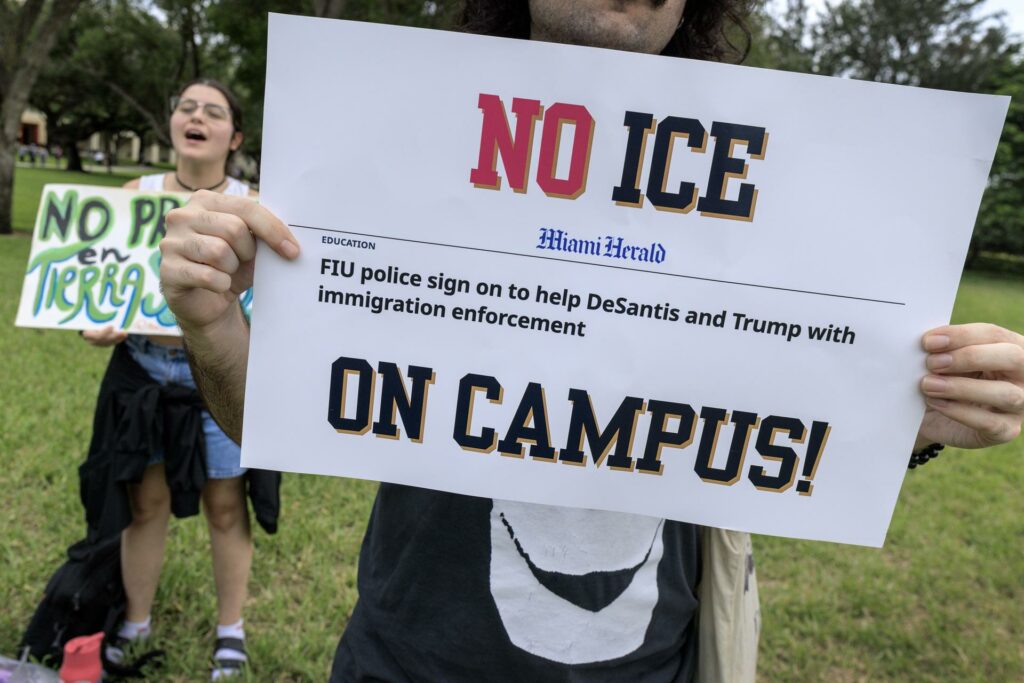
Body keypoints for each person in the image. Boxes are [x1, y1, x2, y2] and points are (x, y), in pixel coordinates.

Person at [158, 2, 1024, 681]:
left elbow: (792, 411)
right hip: (407, 659)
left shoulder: (776, 199)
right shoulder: (395, 149)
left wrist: (922, 410)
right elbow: (266, 414)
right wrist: (214, 328)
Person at [82, 77, 258, 681]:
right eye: (187, 106)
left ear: (232, 137)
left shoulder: (253, 203)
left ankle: (230, 629)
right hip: (144, 372)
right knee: (145, 500)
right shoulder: (135, 194)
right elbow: (102, 288)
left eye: (213, 111)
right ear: (174, 125)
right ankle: (135, 619)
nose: (197, 116)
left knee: (226, 504)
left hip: (218, 378)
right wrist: (95, 321)